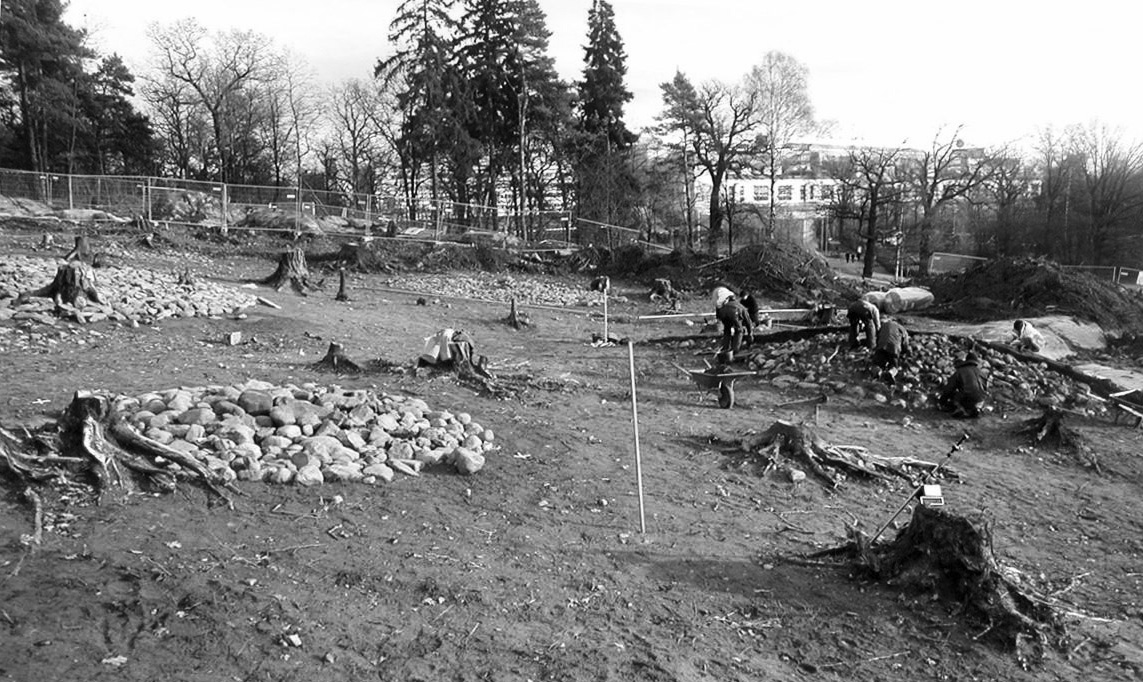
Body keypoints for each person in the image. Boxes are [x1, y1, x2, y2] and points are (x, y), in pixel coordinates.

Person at [939, 351, 989, 418]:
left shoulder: (960, 371)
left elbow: (949, 388)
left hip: (966, 397)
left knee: (955, 396)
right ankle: (977, 408)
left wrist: (942, 401)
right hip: (980, 399)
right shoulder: (982, 373)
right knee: (978, 397)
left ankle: (960, 409)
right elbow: (985, 388)